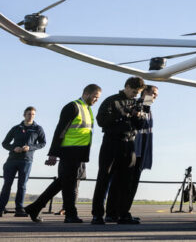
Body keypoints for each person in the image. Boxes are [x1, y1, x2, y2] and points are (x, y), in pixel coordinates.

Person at [24, 84, 102, 223]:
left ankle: (35, 207)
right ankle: (70, 214)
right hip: (69, 151)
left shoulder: (87, 109)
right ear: (86, 93)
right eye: (95, 96)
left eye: (98, 98)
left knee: (63, 182)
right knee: (69, 184)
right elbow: (60, 130)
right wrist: (53, 154)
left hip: (80, 152)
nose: (96, 100)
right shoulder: (72, 107)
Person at [91, 76, 147, 225]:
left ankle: (120, 214)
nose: (135, 95)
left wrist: (139, 116)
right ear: (127, 86)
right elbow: (101, 120)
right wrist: (122, 112)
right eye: (134, 91)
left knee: (124, 182)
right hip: (111, 142)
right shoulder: (111, 100)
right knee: (104, 178)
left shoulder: (137, 103)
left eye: (138, 92)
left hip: (129, 144)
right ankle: (97, 215)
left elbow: (139, 126)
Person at [110, 84, 157, 222]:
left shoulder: (148, 108)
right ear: (145, 92)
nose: (154, 97)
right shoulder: (139, 105)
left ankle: (122, 211)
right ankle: (115, 212)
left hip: (141, 151)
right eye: (153, 93)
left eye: (156, 95)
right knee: (123, 182)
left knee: (131, 183)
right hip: (132, 150)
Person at [0, 107, 46, 217]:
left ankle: (19, 209)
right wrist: (13, 148)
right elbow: (5, 143)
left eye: (33, 114)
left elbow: (43, 143)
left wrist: (29, 147)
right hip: (12, 160)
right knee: (7, 185)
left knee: (22, 185)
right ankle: (1, 208)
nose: (31, 116)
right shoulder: (16, 128)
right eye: (29, 114)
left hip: (26, 161)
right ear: (24, 115)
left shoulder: (37, 129)